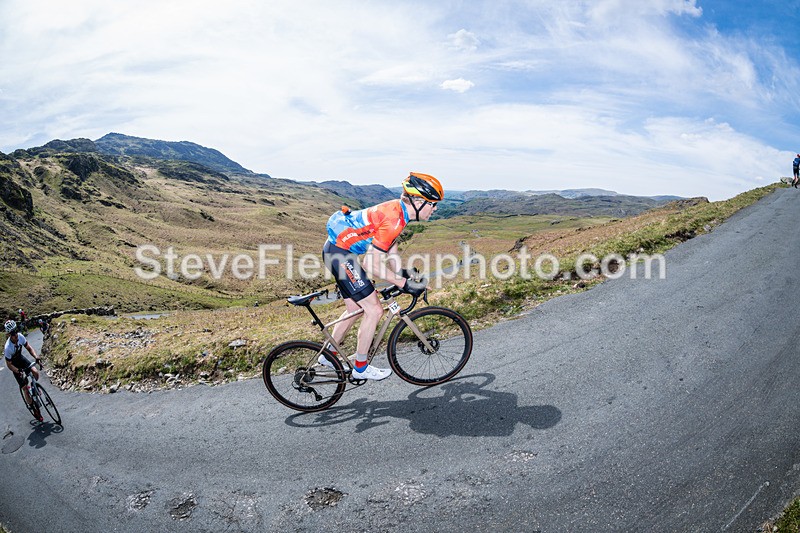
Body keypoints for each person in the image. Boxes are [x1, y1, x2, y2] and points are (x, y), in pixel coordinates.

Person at [320, 172, 443, 380]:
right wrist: (403, 283)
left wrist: (403, 274)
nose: (435, 208)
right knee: (374, 310)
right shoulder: (395, 218)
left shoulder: (400, 212)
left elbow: (391, 250)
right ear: (419, 202)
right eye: (433, 203)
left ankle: (328, 356)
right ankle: (360, 367)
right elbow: (371, 264)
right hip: (341, 256)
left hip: (335, 251)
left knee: (356, 309)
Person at [4, 320, 43, 421]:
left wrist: (36, 357)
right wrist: (18, 371)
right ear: (9, 334)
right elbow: (8, 364)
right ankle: (34, 408)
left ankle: (34, 388)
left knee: (35, 371)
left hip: (20, 358)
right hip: (14, 365)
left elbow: (29, 348)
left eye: (16, 331)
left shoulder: (20, 336)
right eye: (13, 333)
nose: (15, 334)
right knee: (25, 388)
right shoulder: (8, 348)